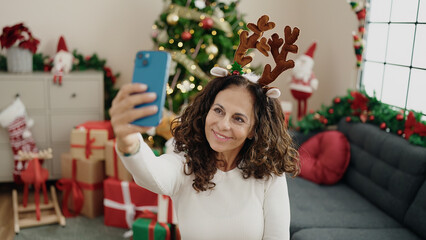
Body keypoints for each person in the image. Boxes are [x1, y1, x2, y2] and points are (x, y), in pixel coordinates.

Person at [109, 15, 300, 240]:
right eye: (218, 110)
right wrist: (128, 140)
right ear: (207, 110)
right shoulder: (184, 160)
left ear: (253, 130)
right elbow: (152, 175)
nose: (222, 124)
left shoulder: (269, 176)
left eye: (238, 119)